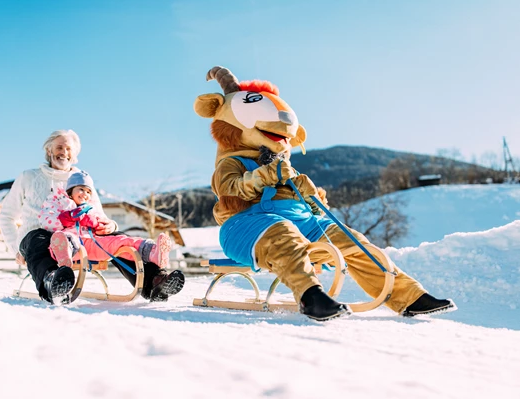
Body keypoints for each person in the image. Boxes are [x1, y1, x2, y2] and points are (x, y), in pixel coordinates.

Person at [194, 66, 456, 321]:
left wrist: (313, 199)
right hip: (248, 227)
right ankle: (311, 297)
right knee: (282, 233)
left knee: (349, 238)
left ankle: (409, 296)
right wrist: (266, 175)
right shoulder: (232, 162)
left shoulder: (286, 168)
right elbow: (230, 190)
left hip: (302, 224)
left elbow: (314, 209)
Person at [0, 129, 185, 304]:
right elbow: (6, 216)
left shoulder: (82, 180)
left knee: (116, 238)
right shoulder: (28, 177)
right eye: (59, 147)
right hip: (38, 233)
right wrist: (15, 248)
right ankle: (52, 281)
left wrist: (110, 226)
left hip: (78, 234)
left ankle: (154, 280)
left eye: (68, 149)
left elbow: (97, 214)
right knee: (38, 240)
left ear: (74, 155)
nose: (64, 152)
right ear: (49, 150)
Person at [41, 170, 172, 277]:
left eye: (88, 191)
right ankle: (64, 256)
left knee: (121, 241)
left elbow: (102, 226)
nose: (85, 194)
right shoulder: (62, 203)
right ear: (70, 192)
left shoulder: (91, 209)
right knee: (64, 238)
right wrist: (70, 216)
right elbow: (51, 221)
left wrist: (95, 222)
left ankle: (152, 252)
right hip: (73, 242)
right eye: (81, 189)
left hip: (92, 243)